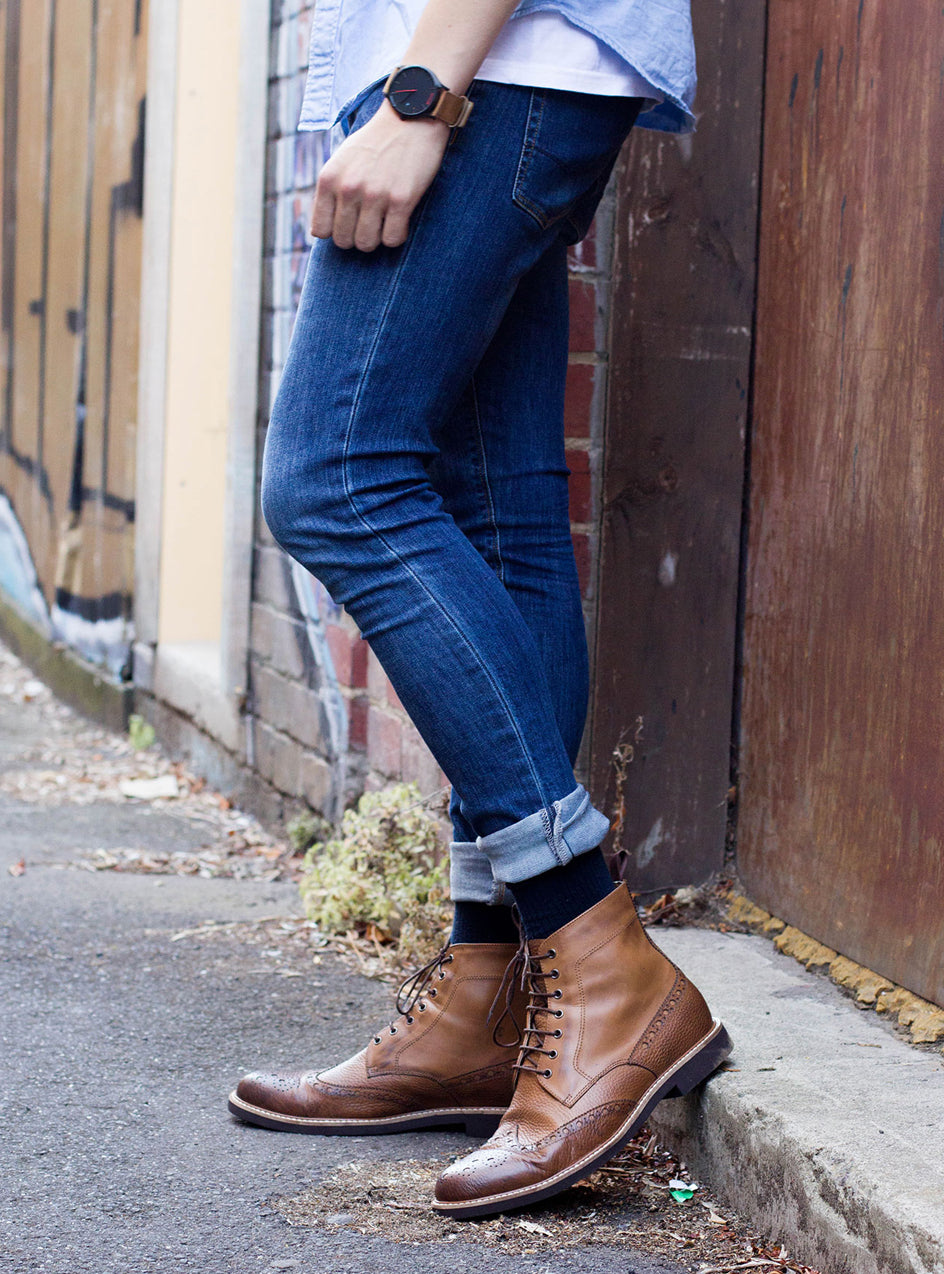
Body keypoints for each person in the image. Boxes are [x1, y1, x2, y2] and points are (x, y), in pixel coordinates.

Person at [229, 0, 731, 1219]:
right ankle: (484, 989)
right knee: (499, 513)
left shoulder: (445, 90)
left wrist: (420, 94)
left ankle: (591, 945)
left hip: (484, 71)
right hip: (503, 73)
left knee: (337, 478)